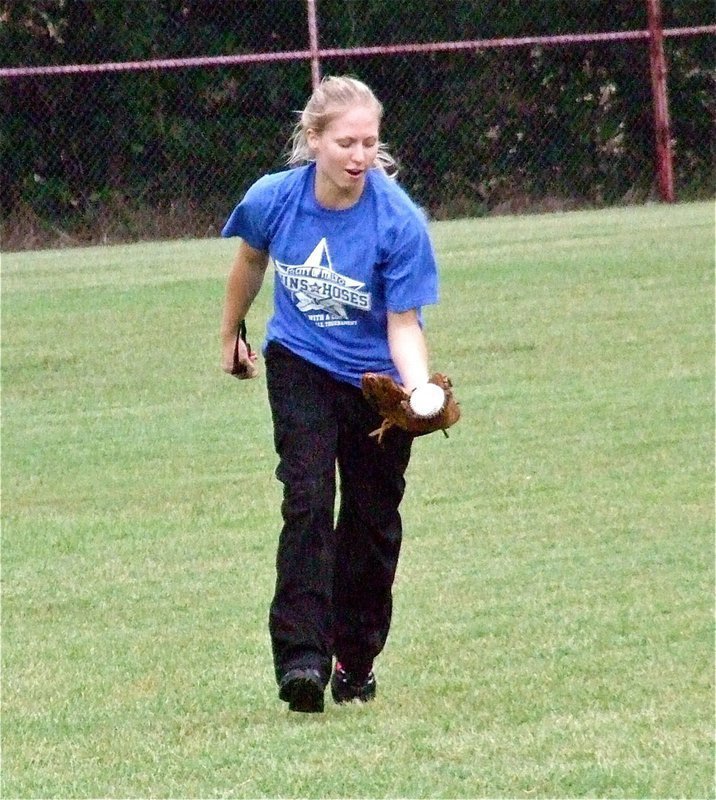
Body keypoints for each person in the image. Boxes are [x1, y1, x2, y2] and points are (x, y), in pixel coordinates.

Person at [220, 75, 440, 713]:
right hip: (301, 362)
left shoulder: (398, 220)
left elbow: (404, 324)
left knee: (372, 525)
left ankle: (355, 658)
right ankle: (303, 660)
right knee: (309, 497)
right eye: (346, 141)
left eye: (369, 142)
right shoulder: (275, 199)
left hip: (378, 384)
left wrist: (418, 389)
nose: (359, 155)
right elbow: (250, 264)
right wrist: (232, 333)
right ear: (314, 139)